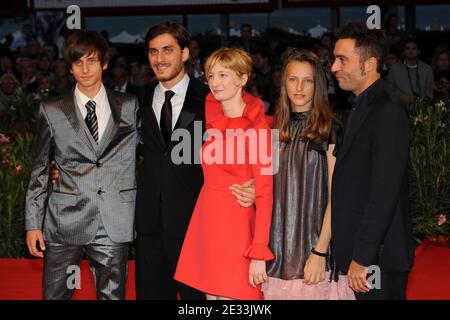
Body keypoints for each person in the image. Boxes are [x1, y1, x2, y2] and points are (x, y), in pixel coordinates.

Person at [135, 22, 255, 300]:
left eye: (168, 50)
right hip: (149, 226)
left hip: (197, 226)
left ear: (185, 54)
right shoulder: (136, 100)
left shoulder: (211, 98)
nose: (159, 59)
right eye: (153, 52)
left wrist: (253, 184)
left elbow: (247, 132)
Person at [25, 30, 140, 300]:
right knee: (55, 295)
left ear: (104, 63)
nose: (85, 69)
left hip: (114, 218)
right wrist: (33, 223)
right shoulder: (51, 109)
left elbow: (155, 150)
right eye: (78, 62)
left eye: (91, 60)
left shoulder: (129, 105)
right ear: (70, 67)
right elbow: (40, 169)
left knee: (113, 297)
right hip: (65, 220)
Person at [175, 47, 274, 300]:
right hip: (207, 223)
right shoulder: (209, 112)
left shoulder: (257, 125)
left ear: (242, 79)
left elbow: (264, 195)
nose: (215, 83)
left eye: (223, 75)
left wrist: (258, 253)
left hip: (238, 228)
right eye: (211, 75)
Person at [259, 49, 354, 300]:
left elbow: (339, 197)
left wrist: (320, 251)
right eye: (292, 79)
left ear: (318, 86)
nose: (299, 87)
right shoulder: (271, 129)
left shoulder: (331, 130)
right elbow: (264, 188)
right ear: (283, 83)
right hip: (276, 257)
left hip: (315, 256)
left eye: (308, 80)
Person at [330, 22, 414, 300]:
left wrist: (363, 257)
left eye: (342, 60)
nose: (333, 67)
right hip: (363, 253)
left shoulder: (387, 110)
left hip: (377, 256)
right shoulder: (361, 105)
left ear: (370, 64)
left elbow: (384, 191)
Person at [386, 37, 433, 106]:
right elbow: (389, 90)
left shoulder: (427, 69)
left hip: (422, 110)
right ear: (404, 52)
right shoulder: (394, 69)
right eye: (408, 48)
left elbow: (430, 91)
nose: (411, 51)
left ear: (418, 51)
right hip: (400, 109)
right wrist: (400, 97)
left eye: (414, 48)